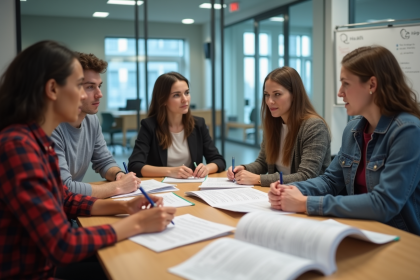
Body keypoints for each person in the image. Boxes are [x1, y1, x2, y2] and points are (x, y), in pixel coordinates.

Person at [0, 40, 176, 279]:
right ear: (52, 89)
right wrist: (137, 224)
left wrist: (125, 206)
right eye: (79, 86)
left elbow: (65, 199)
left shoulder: (38, 141)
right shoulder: (18, 146)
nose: (86, 95)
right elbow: (62, 245)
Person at [268, 46, 420, 236]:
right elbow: (331, 180)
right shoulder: (353, 129)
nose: (340, 93)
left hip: (398, 238)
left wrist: (306, 203)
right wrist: (290, 189)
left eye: (345, 84)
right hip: (359, 229)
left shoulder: (407, 130)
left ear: (372, 85)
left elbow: (384, 203)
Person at [51, 52, 139, 199]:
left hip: (71, 206)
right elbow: (65, 188)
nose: (99, 94)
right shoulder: (51, 127)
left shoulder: (91, 120)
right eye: (90, 87)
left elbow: (104, 160)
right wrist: (118, 187)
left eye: (99, 86)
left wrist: (119, 175)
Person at [227, 66, 331, 186]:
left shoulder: (314, 126)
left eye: (277, 94)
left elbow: (306, 176)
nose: (270, 101)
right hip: (280, 194)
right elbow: (263, 163)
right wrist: (243, 169)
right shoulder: (274, 123)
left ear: (294, 95)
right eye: (267, 94)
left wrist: (258, 179)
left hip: (307, 198)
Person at [128, 72, 226, 178]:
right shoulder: (149, 126)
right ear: (163, 100)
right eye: (176, 95)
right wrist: (170, 171)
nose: (185, 99)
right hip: (160, 188)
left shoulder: (198, 124)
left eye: (187, 93)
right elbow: (135, 166)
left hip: (191, 186)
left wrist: (207, 168)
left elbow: (218, 160)